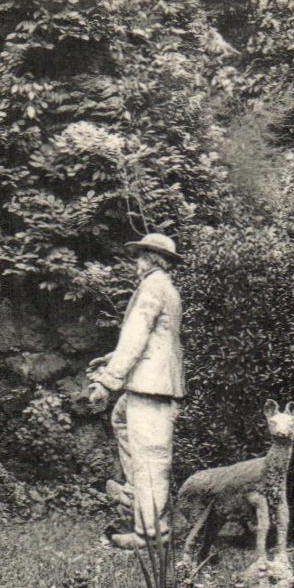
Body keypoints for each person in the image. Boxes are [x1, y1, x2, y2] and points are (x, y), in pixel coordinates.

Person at [86, 233, 185, 549]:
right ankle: (136, 499)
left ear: (151, 260)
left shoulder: (152, 288)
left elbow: (137, 337)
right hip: (151, 382)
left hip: (152, 385)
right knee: (122, 421)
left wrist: (107, 380)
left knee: (151, 457)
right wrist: (112, 359)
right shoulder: (164, 287)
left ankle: (151, 532)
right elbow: (152, 339)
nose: (135, 263)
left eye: (139, 256)